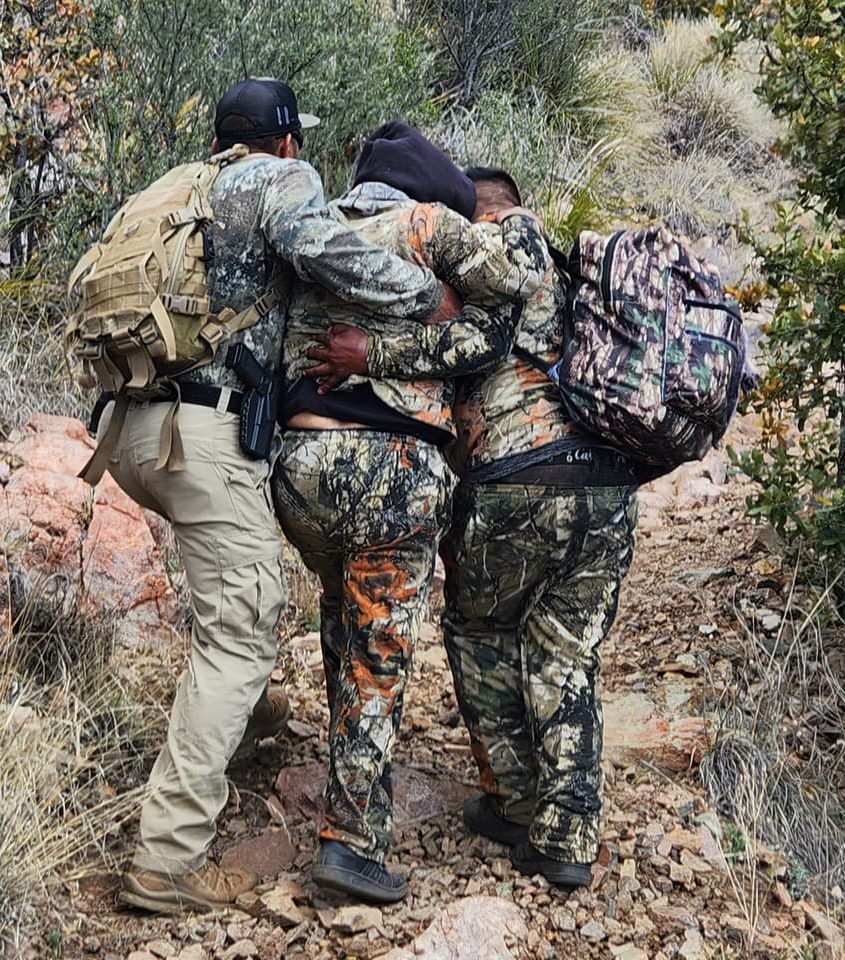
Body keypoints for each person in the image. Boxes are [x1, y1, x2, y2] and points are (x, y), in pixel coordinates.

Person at [110, 81, 451, 915]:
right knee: (242, 628)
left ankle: (246, 736)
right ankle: (165, 861)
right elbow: (327, 253)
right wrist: (424, 299)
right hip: (204, 433)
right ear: (289, 142)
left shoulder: (185, 188)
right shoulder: (279, 181)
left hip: (130, 431)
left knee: (233, 602)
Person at [273, 123, 538, 904]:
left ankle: (342, 783)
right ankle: (352, 843)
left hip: (299, 473)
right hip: (389, 469)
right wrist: (414, 338)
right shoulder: (428, 225)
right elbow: (512, 296)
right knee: (377, 654)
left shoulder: (311, 230)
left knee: (342, 630)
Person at [443, 167, 655, 886]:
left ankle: (513, 798)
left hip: (519, 477)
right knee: (566, 653)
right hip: (609, 482)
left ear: (479, 206)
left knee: (480, 630)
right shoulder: (580, 278)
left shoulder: (488, 248)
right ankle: (567, 839)